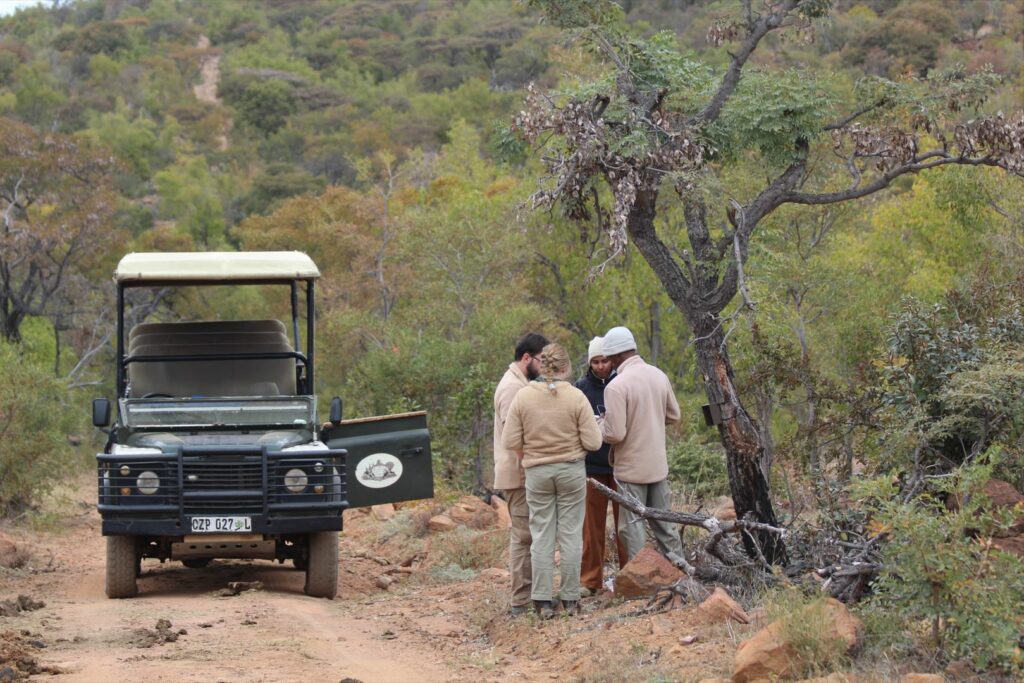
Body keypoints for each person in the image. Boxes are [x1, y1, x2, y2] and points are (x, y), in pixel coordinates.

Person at [502, 343, 602, 618]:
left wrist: (533, 448)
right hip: (571, 471)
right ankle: (570, 599)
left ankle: (542, 601)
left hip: (537, 472)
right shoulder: (576, 397)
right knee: (571, 535)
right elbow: (594, 441)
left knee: (542, 535)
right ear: (565, 367)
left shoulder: (523, 397)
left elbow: (509, 440)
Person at [599, 326, 685, 565]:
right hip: (657, 466)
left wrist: (599, 426)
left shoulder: (616, 386)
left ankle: (643, 581)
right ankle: (680, 573)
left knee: (632, 528)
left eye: (609, 358)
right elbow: (674, 415)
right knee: (666, 526)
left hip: (631, 469)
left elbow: (615, 434)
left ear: (616, 356)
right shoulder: (659, 375)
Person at [493, 332, 548, 616]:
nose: (544, 366)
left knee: (531, 535)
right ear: (527, 358)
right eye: (541, 360)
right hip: (518, 474)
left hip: (523, 472)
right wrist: (533, 467)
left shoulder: (522, 383)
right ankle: (521, 602)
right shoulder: (512, 388)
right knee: (524, 536)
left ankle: (530, 597)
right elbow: (514, 439)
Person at [575, 336, 628, 596]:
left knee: (625, 526)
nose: (600, 366)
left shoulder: (622, 383)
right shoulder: (581, 388)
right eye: (595, 361)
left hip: (621, 465)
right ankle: (590, 580)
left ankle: (629, 576)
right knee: (591, 528)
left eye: (604, 360)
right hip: (591, 467)